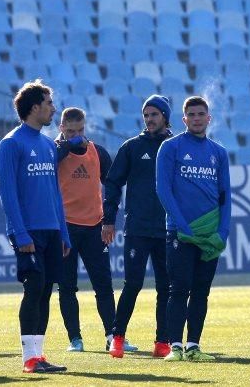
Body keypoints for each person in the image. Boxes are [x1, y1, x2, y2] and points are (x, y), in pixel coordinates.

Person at [0, 79, 69, 373]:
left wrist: (63, 231)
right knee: (34, 287)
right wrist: (20, 232)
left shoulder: (48, 145)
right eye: (49, 103)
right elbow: (7, 192)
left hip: (52, 230)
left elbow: (54, 191)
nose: (53, 108)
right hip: (28, 231)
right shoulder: (11, 143)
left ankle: (39, 355)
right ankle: (29, 358)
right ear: (35, 107)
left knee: (45, 290)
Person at [156, 96, 231, 361]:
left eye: (201, 114)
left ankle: (194, 346)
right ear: (184, 119)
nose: (197, 118)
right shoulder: (170, 147)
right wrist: (181, 224)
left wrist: (223, 231)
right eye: (192, 114)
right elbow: (163, 189)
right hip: (180, 232)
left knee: (201, 291)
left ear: (209, 118)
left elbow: (225, 196)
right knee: (178, 288)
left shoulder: (219, 153)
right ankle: (175, 346)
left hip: (209, 233)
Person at [103, 95, 174, 358]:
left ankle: (162, 342)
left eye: (154, 114)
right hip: (138, 229)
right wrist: (108, 219)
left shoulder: (176, 146)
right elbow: (112, 183)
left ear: (165, 116)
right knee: (132, 284)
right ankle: (117, 337)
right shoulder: (132, 147)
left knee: (166, 287)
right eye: (146, 115)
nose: (149, 119)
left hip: (168, 229)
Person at [54, 107, 117, 352]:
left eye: (80, 130)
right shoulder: (54, 152)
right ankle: (75, 339)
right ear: (61, 129)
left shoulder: (97, 152)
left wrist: (109, 219)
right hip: (66, 229)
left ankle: (113, 336)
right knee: (67, 287)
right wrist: (65, 147)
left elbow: (111, 187)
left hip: (94, 228)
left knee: (103, 285)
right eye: (70, 131)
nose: (76, 135)